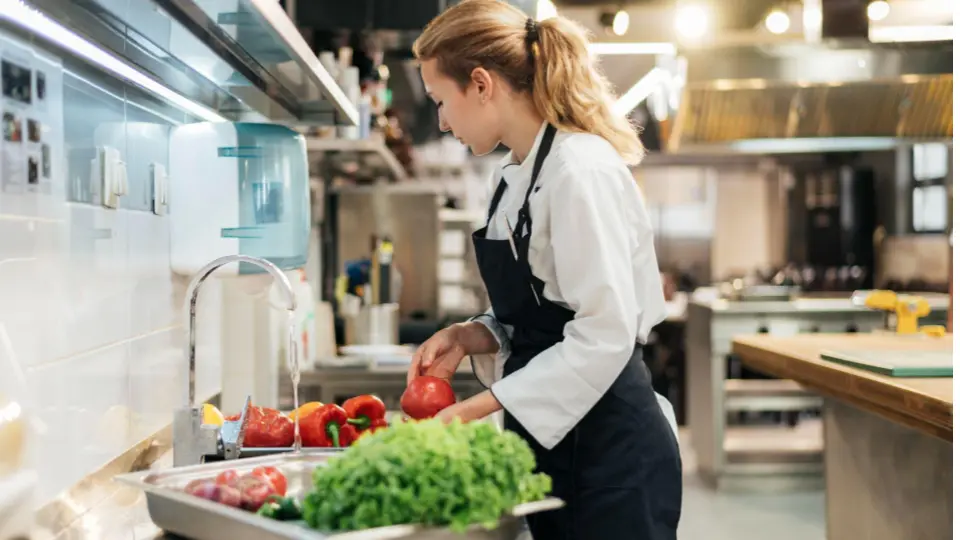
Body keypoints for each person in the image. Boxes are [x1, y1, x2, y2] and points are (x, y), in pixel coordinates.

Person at [406, 1, 682, 539]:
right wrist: (475, 333)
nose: (441, 120)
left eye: (442, 101)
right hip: (556, 444)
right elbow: (546, 310)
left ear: (481, 84)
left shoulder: (580, 170)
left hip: (613, 455)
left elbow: (603, 332)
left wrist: (472, 409)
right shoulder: (514, 175)